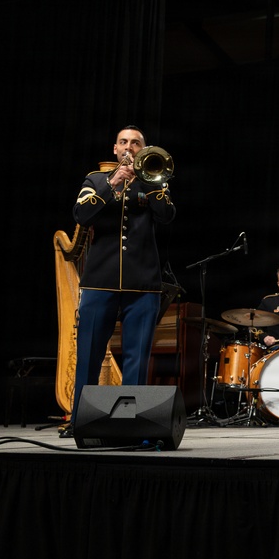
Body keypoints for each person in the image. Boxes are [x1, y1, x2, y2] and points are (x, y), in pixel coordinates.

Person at [67, 125, 176, 435]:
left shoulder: (155, 178)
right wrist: (112, 183)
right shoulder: (95, 180)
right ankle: (80, 421)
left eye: (136, 143)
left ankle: (129, 424)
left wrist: (151, 182)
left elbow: (166, 215)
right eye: (124, 142)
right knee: (89, 355)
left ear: (144, 149)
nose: (129, 147)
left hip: (142, 283)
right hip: (99, 281)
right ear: (115, 149)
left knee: (136, 359)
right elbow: (81, 215)